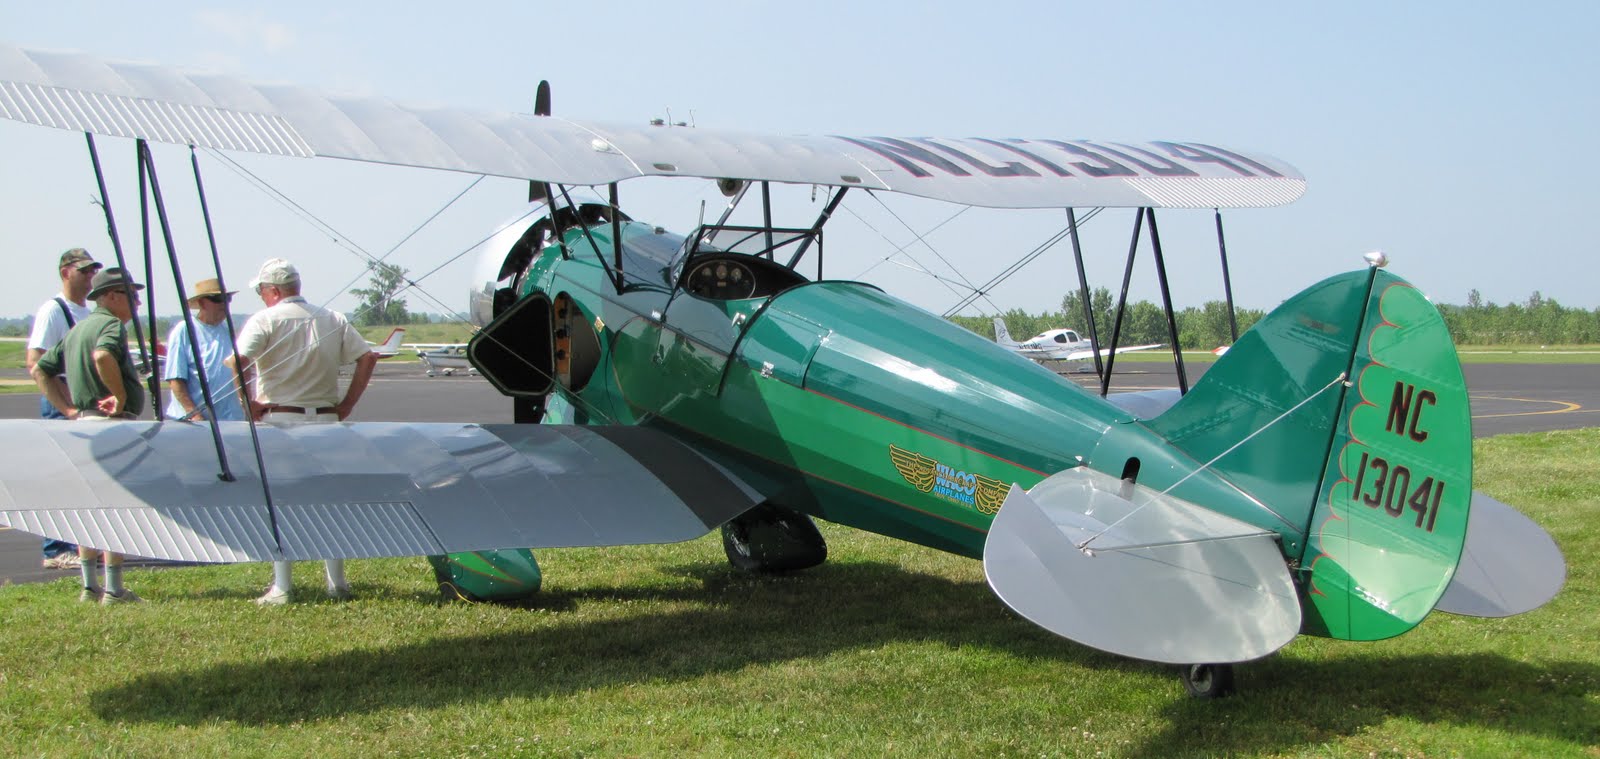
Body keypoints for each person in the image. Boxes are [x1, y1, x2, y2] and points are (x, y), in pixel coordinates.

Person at [230, 258, 378, 605]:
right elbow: (367, 357)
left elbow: (237, 361)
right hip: (326, 419)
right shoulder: (332, 318)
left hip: (280, 419)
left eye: (262, 290)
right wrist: (347, 404)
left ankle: (283, 586)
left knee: (281, 501)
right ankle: (336, 582)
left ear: (273, 291)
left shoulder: (264, 319)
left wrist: (247, 402)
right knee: (331, 501)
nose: (261, 296)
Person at [31, 266, 147, 604]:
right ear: (111, 296)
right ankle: (114, 589)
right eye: (131, 295)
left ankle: (89, 585)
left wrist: (68, 410)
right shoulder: (110, 325)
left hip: (83, 424)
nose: (137, 302)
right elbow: (102, 355)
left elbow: (40, 369)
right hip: (111, 426)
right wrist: (120, 397)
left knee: (89, 508)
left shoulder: (79, 328)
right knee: (116, 507)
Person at [26, 247, 102, 570]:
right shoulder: (54, 311)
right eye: (83, 271)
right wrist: (66, 408)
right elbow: (36, 363)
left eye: (92, 271)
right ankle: (55, 549)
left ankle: (83, 545)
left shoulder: (89, 313)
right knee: (61, 480)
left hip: (88, 403)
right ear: (65, 272)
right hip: (64, 403)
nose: (90, 276)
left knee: (87, 479)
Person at [162, 278, 245, 421]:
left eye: (227, 298)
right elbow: (175, 379)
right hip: (195, 422)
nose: (224, 304)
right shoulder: (184, 330)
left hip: (229, 420)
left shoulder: (228, 332)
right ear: (201, 303)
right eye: (217, 299)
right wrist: (194, 413)